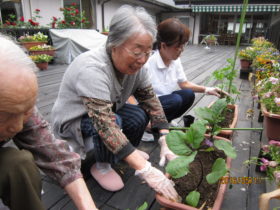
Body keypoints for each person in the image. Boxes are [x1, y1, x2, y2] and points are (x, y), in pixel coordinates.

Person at [51, 5, 179, 202]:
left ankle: (122, 154)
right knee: (114, 121)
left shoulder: (139, 67)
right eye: (137, 52)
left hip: (108, 112)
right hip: (74, 120)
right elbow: (105, 124)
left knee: (138, 115)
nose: (143, 60)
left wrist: (164, 138)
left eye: (147, 52)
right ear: (114, 44)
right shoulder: (93, 68)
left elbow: (150, 100)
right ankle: (101, 165)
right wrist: (145, 169)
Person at [0, 35, 97, 210]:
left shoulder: (16, 102)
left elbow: (52, 151)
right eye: (5, 115)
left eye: (27, 111)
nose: (18, 127)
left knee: (18, 164)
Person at [144, 18, 225, 124]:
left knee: (188, 95)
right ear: (163, 45)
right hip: (147, 106)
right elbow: (132, 97)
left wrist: (207, 89)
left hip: (165, 103)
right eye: (178, 46)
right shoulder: (148, 63)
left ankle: (164, 121)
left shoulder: (174, 60)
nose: (182, 50)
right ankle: (148, 126)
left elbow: (184, 84)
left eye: (184, 45)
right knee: (175, 100)